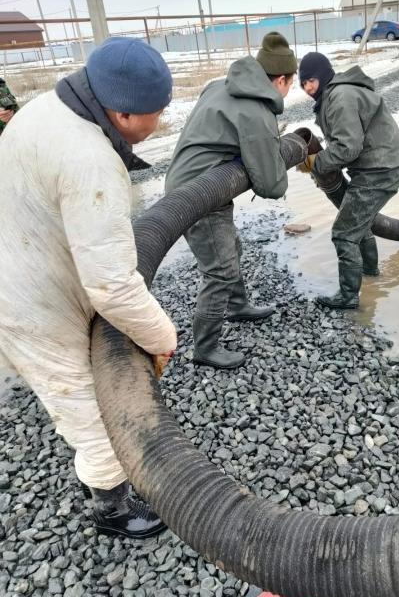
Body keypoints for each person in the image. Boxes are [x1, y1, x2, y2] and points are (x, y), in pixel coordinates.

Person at [0, 37, 177, 538]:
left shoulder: (43, 111)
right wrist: (163, 338)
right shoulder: (88, 157)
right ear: (121, 114)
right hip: (29, 304)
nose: (159, 123)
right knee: (89, 409)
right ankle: (110, 510)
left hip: (24, 265)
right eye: (156, 113)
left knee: (80, 393)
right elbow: (113, 286)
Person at [166, 32, 297, 369]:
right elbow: (271, 185)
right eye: (290, 83)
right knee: (221, 269)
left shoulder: (219, 85)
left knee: (230, 249)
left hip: (193, 180)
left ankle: (237, 307)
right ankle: (205, 348)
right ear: (281, 79)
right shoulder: (256, 112)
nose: (289, 90)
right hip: (199, 194)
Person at [298, 52, 399, 309]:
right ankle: (370, 274)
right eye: (303, 84)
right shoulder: (337, 94)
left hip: (379, 170)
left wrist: (316, 163)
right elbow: (347, 140)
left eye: (311, 80)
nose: (308, 88)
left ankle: (348, 297)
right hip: (379, 165)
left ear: (323, 74)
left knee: (344, 233)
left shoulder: (340, 97)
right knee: (359, 225)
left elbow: (347, 148)